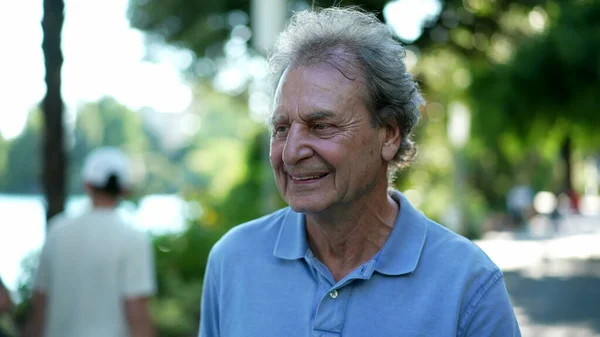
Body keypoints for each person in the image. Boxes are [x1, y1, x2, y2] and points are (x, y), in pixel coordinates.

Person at [199, 7, 521, 337]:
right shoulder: (232, 262)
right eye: (281, 128)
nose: (292, 152)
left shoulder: (468, 284)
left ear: (389, 135)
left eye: (321, 125)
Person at [27, 147, 157, 337]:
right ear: (124, 189)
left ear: (87, 184)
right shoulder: (132, 238)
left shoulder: (57, 230)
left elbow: (39, 306)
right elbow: (137, 313)